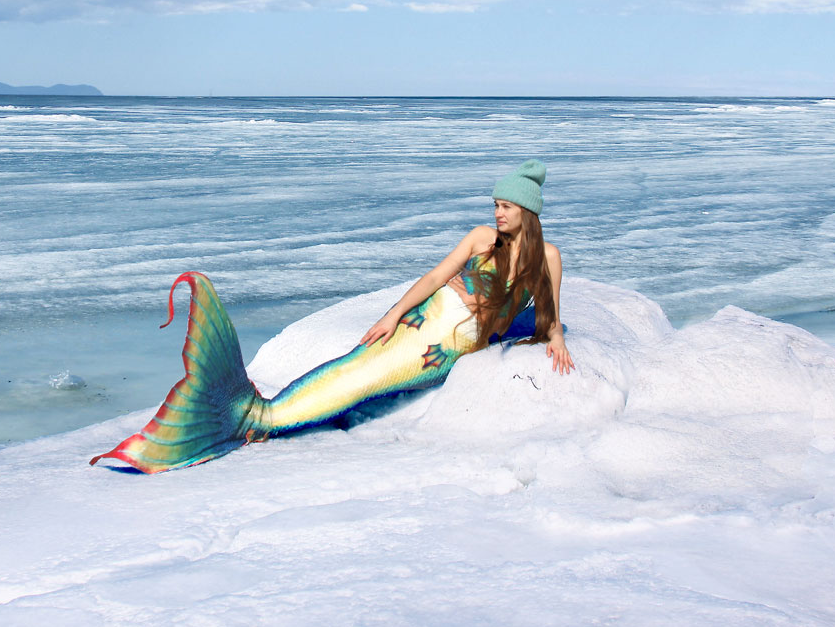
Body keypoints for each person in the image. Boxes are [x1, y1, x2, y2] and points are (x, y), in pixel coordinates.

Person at [90, 160, 572, 474]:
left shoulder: (546, 256)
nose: (497, 212)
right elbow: (431, 279)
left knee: (362, 382)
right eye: (495, 205)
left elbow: (549, 312)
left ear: (527, 212)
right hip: (422, 323)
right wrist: (392, 314)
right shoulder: (479, 238)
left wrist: (557, 340)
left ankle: (255, 418)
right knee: (353, 368)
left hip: (443, 351)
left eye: (505, 206)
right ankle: (255, 415)